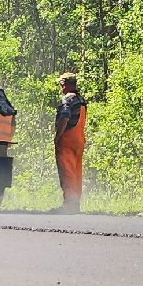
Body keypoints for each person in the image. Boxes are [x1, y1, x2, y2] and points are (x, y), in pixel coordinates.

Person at [53, 74, 87, 213]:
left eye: (61, 84)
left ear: (65, 84)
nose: (61, 87)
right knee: (76, 173)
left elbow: (65, 117)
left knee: (67, 172)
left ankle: (68, 205)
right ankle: (75, 205)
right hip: (79, 140)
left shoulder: (68, 98)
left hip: (67, 140)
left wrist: (58, 136)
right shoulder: (81, 99)